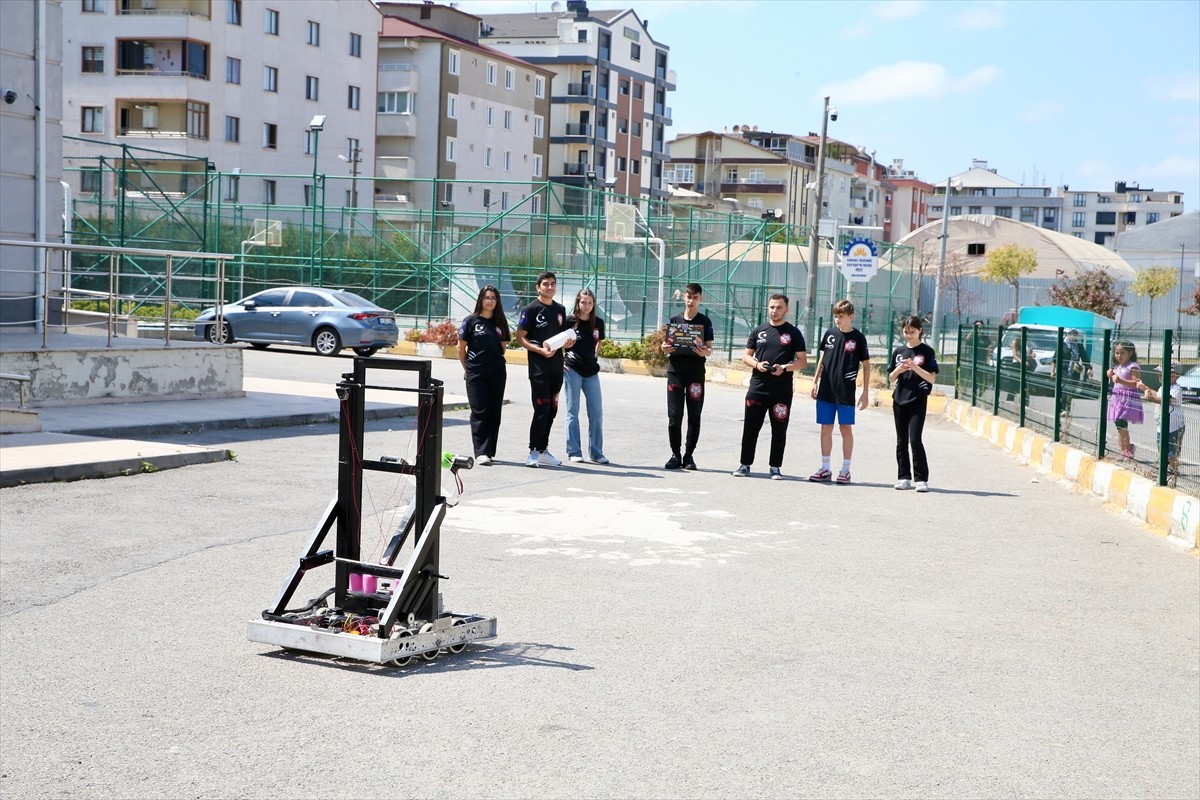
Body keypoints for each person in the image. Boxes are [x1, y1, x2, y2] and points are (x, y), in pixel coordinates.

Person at [732, 294, 807, 479]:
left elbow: (802, 361)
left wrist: (784, 368)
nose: (775, 311)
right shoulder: (759, 331)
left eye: (779, 307)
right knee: (751, 428)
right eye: (772, 307)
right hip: (758, 387)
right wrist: (757, 365)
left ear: (786, 309)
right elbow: (746, 356)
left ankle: (775, 467)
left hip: (781, 390)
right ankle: (744, 465)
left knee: (779, 429)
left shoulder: (793, 333)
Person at [808, 298, 870, 484]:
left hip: (845, 391)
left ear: (851, 316)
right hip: (826, 389)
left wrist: (865, 392)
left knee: (845, 428)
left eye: (841, 316)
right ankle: (825, 468)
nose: (837, 320)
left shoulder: (858, 338)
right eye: (835, 316)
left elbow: (866, 365)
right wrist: (815, 381)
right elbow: (823, 357)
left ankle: (846, 470)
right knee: (826, 427)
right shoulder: (830, 334)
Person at [516, 271, 571, 468]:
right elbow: (520, 337)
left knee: (552, 411)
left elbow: (562, 338)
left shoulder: (560, 309)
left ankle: (543, 449)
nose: (550, 287)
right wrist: (538, 350)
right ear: (538, 287)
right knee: (542, 409)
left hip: (557, 368)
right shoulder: (530, 309)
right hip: (539, 369)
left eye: (553, 284)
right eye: (546, 284)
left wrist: (569, 342)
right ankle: (532, 451)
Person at [660, 282, 715, 470]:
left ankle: (689, 455)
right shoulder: (674, 320)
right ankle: (675, 454)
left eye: (695, 298)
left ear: (700, 299)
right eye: (688, 297)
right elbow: (666, 344)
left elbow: (709, 350)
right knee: (674, 416)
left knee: (694, 416)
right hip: (675, 372)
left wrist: (704, 351)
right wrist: (663, 348)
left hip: (695, 374)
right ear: (684, 297)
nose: (691, 301)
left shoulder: (705, 322)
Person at [457, 285, 510, 465]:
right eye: (487, 297)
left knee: (495, 411)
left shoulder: (500, 323)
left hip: (497, 372)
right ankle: (481, 452)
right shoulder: (470, 321)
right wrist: (468, 368)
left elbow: (502, 348)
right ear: (481, 299)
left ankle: (489, 450)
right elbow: (460, 348)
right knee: (480, 411)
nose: (490, 301)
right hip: (475, 372)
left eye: (493, 298)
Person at [888, 315, 939, 492]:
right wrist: (899, 369)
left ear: (920, 331)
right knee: (901, 440)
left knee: (915, 439)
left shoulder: (927, 352)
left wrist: (915, 367)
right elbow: (891, 378)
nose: (909, 335)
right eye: (906, 332)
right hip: (899, 399)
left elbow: (932, 378)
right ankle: (903, 477)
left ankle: (921, 479)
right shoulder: (899, 351)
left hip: (918, 399)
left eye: (912, 332)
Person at [563, 288, 608, 464]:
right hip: (572, 369)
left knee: (596, 413)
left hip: (591, 371)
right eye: (583, 302)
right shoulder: (569, 321)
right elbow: (559, 343)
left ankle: (596, 453)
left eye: (590, 302)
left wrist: (594, 356)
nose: (586, 306)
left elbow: (599, 342)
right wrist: (563, 358)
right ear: (577, 302)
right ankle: (574, 451)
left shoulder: (598, 322)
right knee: (572, 411)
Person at [1138, 362, 1185, 475]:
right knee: (1161, 447)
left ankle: (1173, 470)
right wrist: (1145, 388)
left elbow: (1166, 399)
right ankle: (1163, 469)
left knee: (1172, 451)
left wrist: (1151, 399)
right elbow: (1158, 394)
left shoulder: (1175, 389)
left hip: (1173, 426)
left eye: (1161, 374)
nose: (1159, 376)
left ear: (1174, 376)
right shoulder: (1163, 387)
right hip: (1162, 425)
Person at [1106, 340, 1143, 459]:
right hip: (1117, 397)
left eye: (1122, 353)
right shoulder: (1117, 366)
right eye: (1117, 353)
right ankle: (1123, 449)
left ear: (1130, 353)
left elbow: (1136, 383)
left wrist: (1121, 381)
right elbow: (1115, 379)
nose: (1118, 356)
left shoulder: (1133, 366)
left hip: (1128, 398)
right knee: (1118, 423)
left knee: (1122, 422)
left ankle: (1127, 449)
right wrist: (1110, 375)